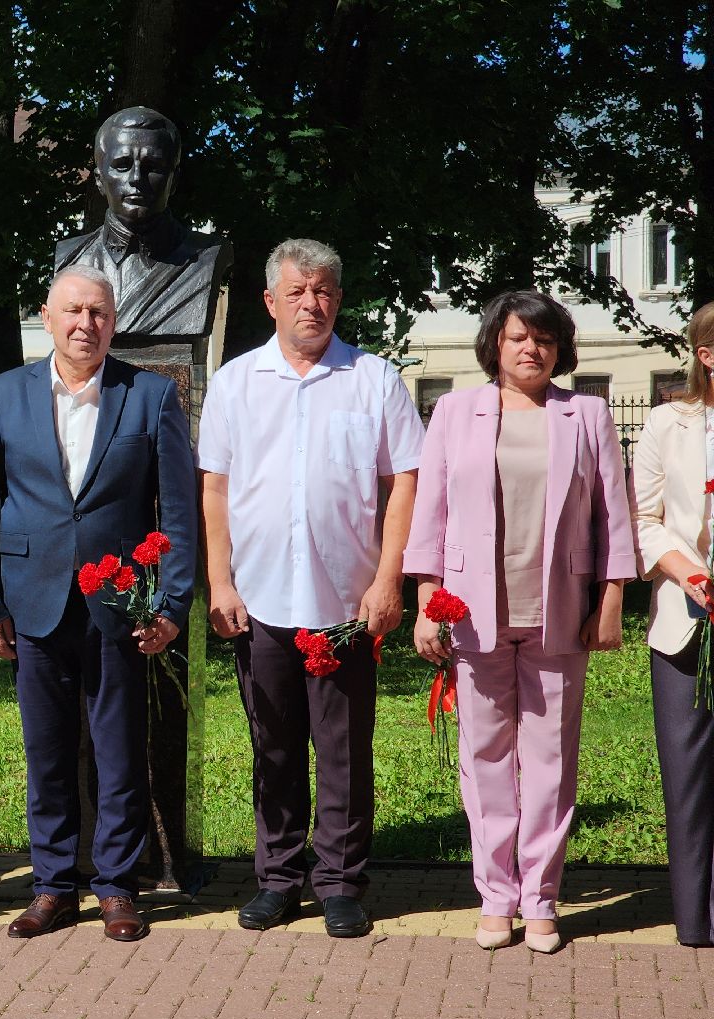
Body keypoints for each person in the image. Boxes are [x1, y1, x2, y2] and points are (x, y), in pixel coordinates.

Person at [0, 265, 197, 943]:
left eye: (97, 312)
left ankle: (118, 887)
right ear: (46, 316)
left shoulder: (149, 397)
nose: (84, 324)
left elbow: (176, 513)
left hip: (121, 608)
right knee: (48, 752)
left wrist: (173, 603)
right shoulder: (4, 395)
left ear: (112, 321)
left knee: (120, 750)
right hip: (30, 604)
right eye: (72, 311)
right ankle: (53, 885)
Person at [199, 239, 423, 939]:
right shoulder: (236, 383)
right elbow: (216, 488)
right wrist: (219, 581)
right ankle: (278, 877)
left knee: (345, 748)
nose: (311, 304)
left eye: (323, 291)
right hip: (259, 597)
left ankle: (340, 881)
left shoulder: (374, 379)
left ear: (339, 298)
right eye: (296, 292)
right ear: (270, 301)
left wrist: (390, 581)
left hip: (346, 602)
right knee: (273, 743)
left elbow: (404, 482)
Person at [406, 290, 633, 954]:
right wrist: (426, 601)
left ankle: (541, 898)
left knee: (549, 760)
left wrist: (612, 597)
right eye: (517, 338)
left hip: (558, 611)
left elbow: (612, 514)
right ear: (494, 346)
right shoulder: (453, 411)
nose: (531, 349)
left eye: (544, 339)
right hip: (474, 615)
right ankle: (496, 896)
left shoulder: (585, 413)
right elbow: (431, 515)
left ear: (559, 349)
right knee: (484, 757)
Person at [632, 299, 714, 949]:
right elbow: (643, 517)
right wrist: (689, 573)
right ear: (707, 354)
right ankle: (696, 918)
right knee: (688, 778)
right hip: (685, 622)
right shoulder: (667, 423)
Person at [54, 107, 233, 341]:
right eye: (122, 165)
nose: (136, 178)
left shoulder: (208, 255)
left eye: (153, 167)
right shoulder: (70, 258)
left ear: (174, 179)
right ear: (99, 180)